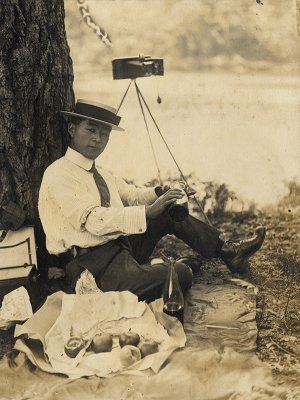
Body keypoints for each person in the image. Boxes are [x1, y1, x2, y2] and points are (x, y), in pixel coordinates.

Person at [38, 99, 266, 302]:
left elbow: (131, 195)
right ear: (72, 129)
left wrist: (162, 193)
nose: (97, 139)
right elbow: (93, 220)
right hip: (92, 266)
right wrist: (147, 212)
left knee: (168, 211)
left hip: (120, 247)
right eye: (91, 130)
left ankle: (228, 252)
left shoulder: (101, 173)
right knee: (179, 275)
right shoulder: (59, 175)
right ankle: (180, 266)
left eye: (105, 133)